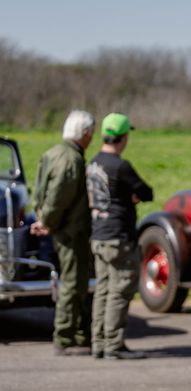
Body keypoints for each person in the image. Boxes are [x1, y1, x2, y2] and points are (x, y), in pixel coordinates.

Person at [86, 112, 153, 360]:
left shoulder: (93, 163)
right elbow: (146, 191)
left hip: (98, 235)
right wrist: (131, 196)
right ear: (123, 137)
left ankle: (98, 343)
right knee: (120, 290)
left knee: (102, 290)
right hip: (118, 237)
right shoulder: (121, 166)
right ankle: (113, 345)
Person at [31, 110, 95, 356]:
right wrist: (48, 220)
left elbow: (41, 191)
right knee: (72, 284)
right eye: (91, 133)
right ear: (85, 134)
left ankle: (78, 332)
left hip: (61, 229)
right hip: (71, 232)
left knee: (75, 282)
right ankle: (65, 336)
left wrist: (43, 218)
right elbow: (59, 197)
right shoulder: (71, 160)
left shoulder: (52, 153)